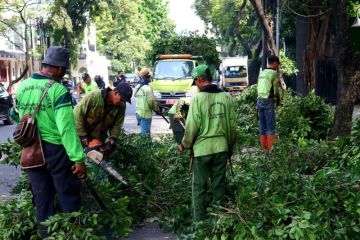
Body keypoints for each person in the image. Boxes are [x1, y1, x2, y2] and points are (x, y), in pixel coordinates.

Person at [15, 46, 86, 235]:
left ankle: (47, 236)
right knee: (68, 194)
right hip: (56, 151)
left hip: (31, 151)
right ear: (60, 68)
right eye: (64, 70)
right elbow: (66, 129)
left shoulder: (22, 87)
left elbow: (17, 117)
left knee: (42, 198)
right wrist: (78, 159)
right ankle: (73, 234)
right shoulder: (58, 90)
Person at [177, 65, 236, 221]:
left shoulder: (197, 99)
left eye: (195, 82)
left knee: (199, 188)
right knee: (219, 186)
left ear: (199, 80)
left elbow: (191, 128)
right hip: (221, 148)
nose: (195, 85)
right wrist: (230, 147)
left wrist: (184, 145)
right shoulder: (227, 97)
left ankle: (199, 225)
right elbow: (232, 127)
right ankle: (219, 222)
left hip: (202, 151)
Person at [73, 82, 132, 148]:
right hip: (82, 135)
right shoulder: (94, 96)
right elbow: (77, 114)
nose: (123, 102)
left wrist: (113, 138)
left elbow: (117, 124)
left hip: (99, 138)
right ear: (116, 93)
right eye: (122, 100)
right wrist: (82, 135)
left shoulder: (121, 107)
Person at [257, 55, 281, 152]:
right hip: (268, 101)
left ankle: (263, 151)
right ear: (275, 63)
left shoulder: (262, 72)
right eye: (278, 64)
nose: (278, 66)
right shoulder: (274, 73)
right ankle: (271, 153)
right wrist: (279, 100)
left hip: (259, 101)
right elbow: (275, 91)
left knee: (262, 127)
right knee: (271, 127)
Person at [134, 68, 158, 135]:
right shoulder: (147, 88)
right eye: (151, 77)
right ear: (148, 77)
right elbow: (151, 102)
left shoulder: (137, 87)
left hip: (138, 113)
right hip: (145, 114)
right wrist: (156, 109)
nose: (151, 78)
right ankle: (146, 145)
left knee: (143, 132)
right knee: (145, 136)